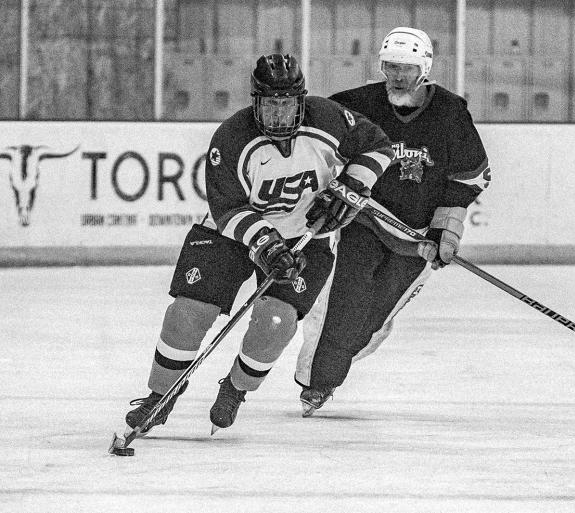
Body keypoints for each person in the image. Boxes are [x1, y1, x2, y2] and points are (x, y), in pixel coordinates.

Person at [123, 53, 393, 435]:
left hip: (305, 237)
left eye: (287, 104)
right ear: (255, 102)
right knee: (187, 313)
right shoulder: (231, 139)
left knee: (277, 321)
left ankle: (234, 389)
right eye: (270, 105)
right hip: (231, 234)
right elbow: (227, 208)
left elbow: (378, 145)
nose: (280, 115)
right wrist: (266, 244)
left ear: (301, 101)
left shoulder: (330, 118)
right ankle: (159, 395)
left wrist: (350, 186)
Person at [295, 27, 491, 416]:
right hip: (362, 222)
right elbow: (315, 134)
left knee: (371, 321)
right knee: (344, 308)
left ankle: (330, 368)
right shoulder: (357, 104)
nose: (397, 75)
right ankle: (319, 383)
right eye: (390, 67)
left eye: (406, 68)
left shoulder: (450, 113)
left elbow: (472, 175)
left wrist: (445, 228)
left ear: (425, 69)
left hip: (416, 238)